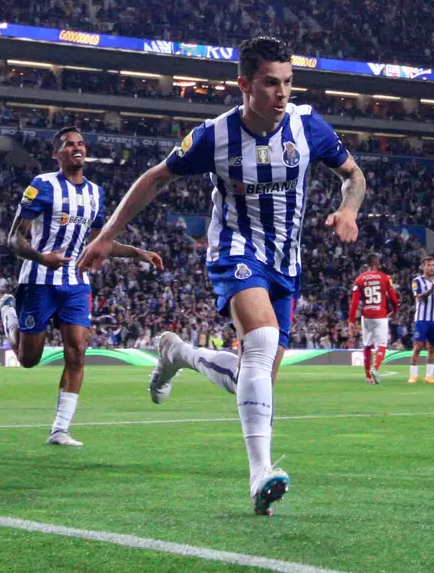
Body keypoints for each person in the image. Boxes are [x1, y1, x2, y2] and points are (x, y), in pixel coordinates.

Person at [80, 36, 366, 515]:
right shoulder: (214, 135)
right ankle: (260, 475)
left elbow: (354, 175)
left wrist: (348, 209)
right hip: (235, 250)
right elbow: (154, 177)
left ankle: (179, 353)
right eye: (270, 84)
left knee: (256, 380)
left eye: (288, 83)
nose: (282, 94)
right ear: (244, 85)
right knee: (259, 344)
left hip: (286, 264)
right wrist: (109, 234)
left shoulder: (307, 124)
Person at [8, 126, 162, 447]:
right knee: (28, 360)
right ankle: (8, 316)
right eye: (69, 145)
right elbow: (14, 238)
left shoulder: (96, 193)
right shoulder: (42, 186)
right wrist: (41, 257)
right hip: (39, 281)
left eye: (80, 144)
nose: (77, 148)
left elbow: (97, 240)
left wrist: (136, 252)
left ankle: (60, 429)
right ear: (57, 153)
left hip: (77, 283)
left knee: (77, 353)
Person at [348, 256, 398, 384]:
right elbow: (393, 298)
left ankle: (367, 376)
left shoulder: (360, 279)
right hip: (380, 315)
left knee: (367, 345)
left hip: (366, 316)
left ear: (368, 264)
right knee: (382, 345)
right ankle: (375, 368)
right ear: (378, 263)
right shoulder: (385, 278)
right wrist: (395, 311)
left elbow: (354, 302)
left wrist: (351, 320)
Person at [407, 255, 434, 383]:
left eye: (433, 265)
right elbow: (419, 298)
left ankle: (429, 376)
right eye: (428, 265)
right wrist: (432, 289)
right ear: (423, 267)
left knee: (432, 348)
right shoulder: (416, 281)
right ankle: (413, 375)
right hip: (421, 319)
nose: (431, 267)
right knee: (418, 347)